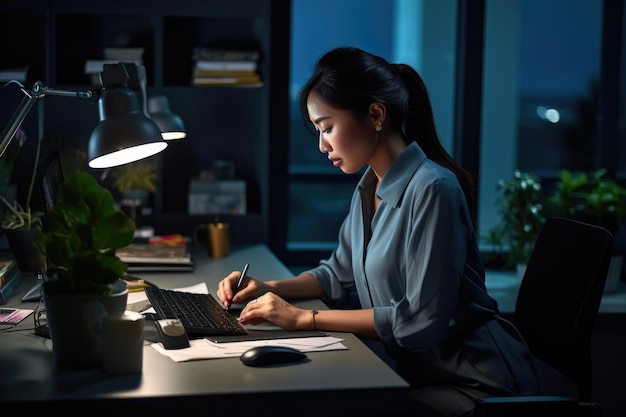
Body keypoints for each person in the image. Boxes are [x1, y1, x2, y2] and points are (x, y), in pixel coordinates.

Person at [216, 46, 539, 416]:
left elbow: (420, 320)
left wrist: (304, 318)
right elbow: (336, 275)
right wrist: (268, 288)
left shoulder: (434, 189)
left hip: (478, 383)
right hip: (421, 376)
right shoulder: (369, 187)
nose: (322, 145)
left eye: (327, 127)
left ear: (375, 115)